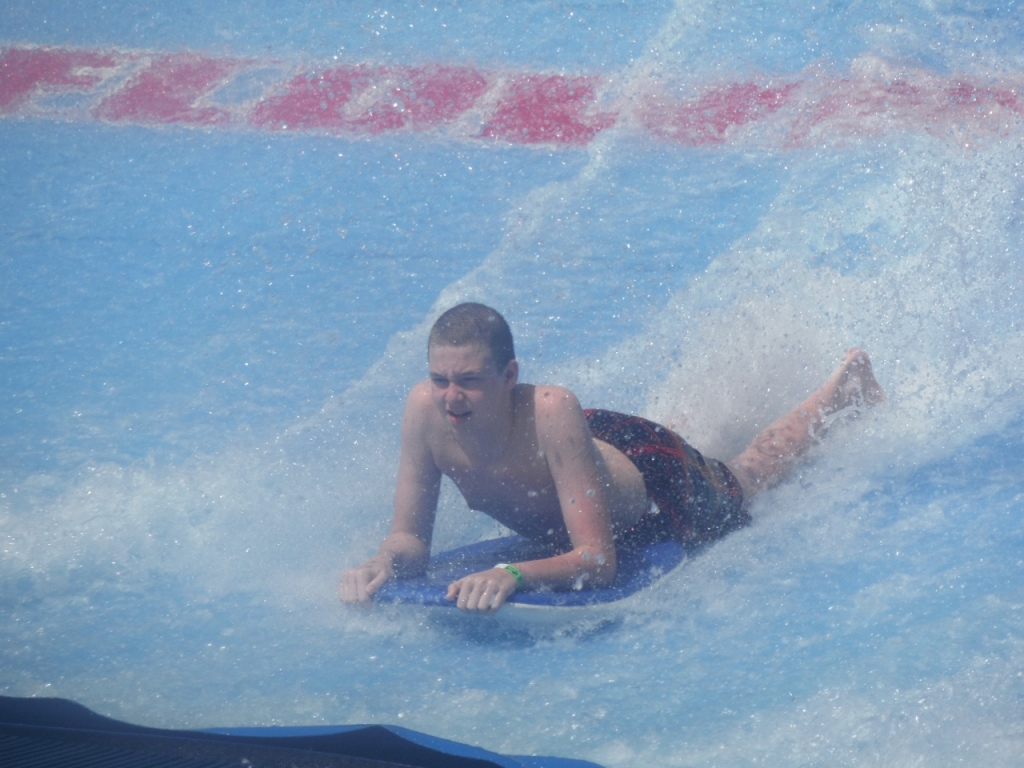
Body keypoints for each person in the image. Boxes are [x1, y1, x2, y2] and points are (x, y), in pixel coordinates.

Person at [340, 303, 884, 613]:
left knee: (746, 476)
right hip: (580, 448)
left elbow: (598, 561)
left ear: (510, 377)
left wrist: (513, 573)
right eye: (440, 380)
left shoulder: (550, 408)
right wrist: (383, 562)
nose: (451, 397)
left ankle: (846, 387)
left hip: (649, 472)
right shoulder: (425, 411)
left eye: (469, 381)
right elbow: (411, 539)